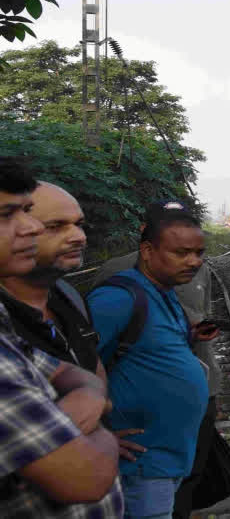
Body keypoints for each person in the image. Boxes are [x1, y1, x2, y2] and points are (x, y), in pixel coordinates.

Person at [0, 157, 123, 517]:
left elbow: (83, 373)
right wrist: (99, 427)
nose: (30, 228)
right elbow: (84, 478)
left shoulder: (66, 299)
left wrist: (89, 394)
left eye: (26, 212)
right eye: (8, 214)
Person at [90, 201, 222, 519]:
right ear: (147, 251)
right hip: (142, 463)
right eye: (181, 253)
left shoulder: (162, 292)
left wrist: (190, 336)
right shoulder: (118, 297)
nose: (194, 262)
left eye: (199, 253)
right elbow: (67, 364)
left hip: (169, 455)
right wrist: (94, 432)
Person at [0, 182, 101, 375]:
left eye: (78, 224)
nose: (79, 236)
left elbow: (94, 369)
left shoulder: (70, 297)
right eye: (55, 226)